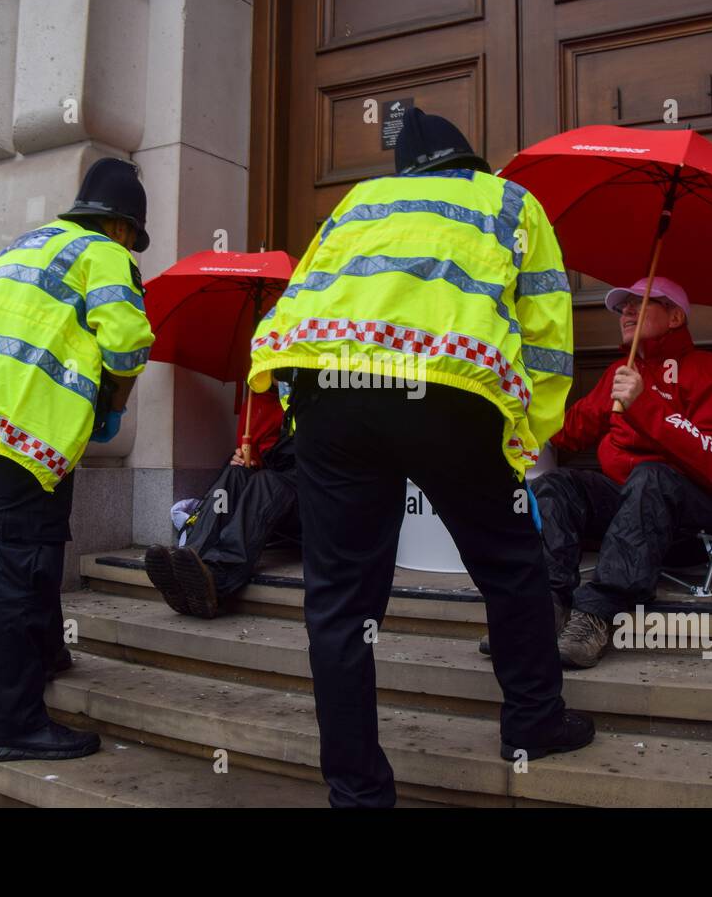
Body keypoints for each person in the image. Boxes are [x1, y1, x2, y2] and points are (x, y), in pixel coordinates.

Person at [248, 108, 594, 808]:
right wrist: (526, 439)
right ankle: (532, 722)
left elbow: (300, 301)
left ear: (404, 169)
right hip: (451, 392)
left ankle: (357, 792)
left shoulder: (357, 203)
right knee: (510, 563)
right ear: (472, 158)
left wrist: (300, 415)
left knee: (339, 605)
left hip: (331, 393)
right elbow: (549, 336)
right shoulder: (511, 202)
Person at [0, 158, 156, 762]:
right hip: (25, 420)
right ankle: (13, 724)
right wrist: (115, 406)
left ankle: (48, 650)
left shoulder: (30, 244)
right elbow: (130, 344)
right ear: (124, 228)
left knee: (36, 544)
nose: (133, 248)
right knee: (23, 567)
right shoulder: (105, 254)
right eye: (135, 237)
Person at [531, 276, 712, 669]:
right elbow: (570, 431)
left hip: (692, 519)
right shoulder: (620, 372)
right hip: (631, 511)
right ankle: (544, 607)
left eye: (640, 303)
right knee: (557, 484)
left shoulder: (706, 370)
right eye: (622, 306)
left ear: (676, 316)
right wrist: (520, 404)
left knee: (651, 476)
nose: (626, 311)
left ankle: (595, 617)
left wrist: (644, 404)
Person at [144, 386, 300, 618]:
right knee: (235, 472)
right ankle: (189, 562)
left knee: (265, 483)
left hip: (310, 498)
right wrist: (244, 459)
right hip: (275, 494)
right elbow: (255, 458)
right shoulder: (259, 401)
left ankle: (218, 579)